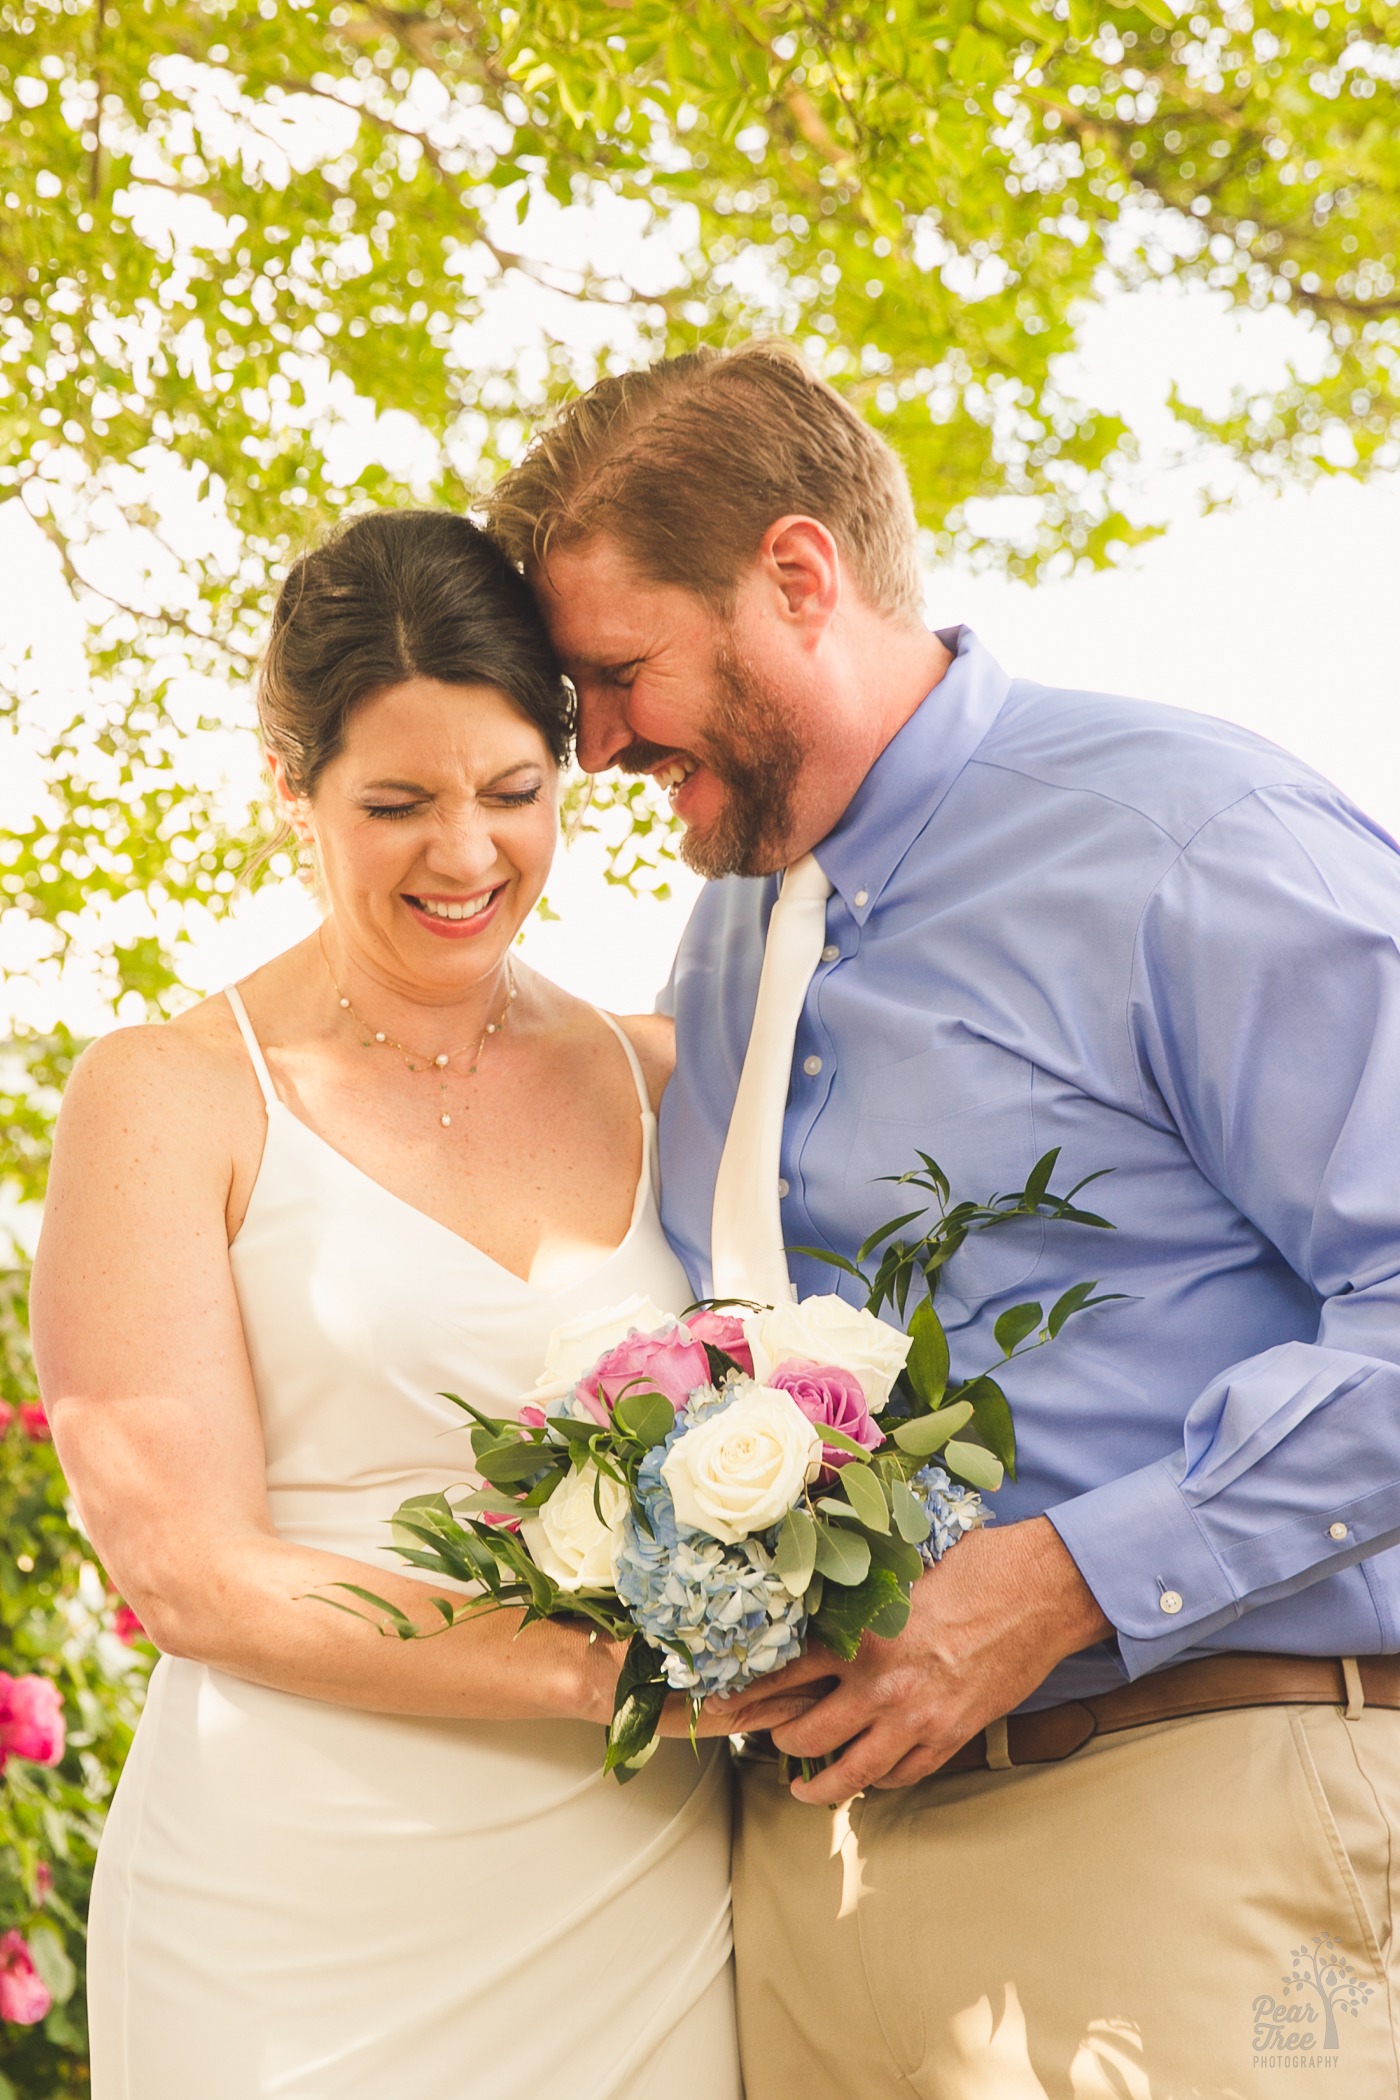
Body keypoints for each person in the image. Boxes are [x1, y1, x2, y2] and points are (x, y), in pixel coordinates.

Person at [488, 339, 1400, 2099]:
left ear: (798, 576)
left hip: (1186, 1808)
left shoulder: (1189, 839)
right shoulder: (733, 940)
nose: (590, 747)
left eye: (616, 672)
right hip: (809, 1890)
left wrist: (1067, 1583)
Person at [29, 511, 740, 2100]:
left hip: (638, 1897)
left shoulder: (665, 1074)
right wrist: (620, 1674)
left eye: (513, 794)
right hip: (294, 1916)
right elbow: (191, 1576)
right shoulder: (167, 1097)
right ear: (292, 789)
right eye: (397, 803)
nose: (468, 856)